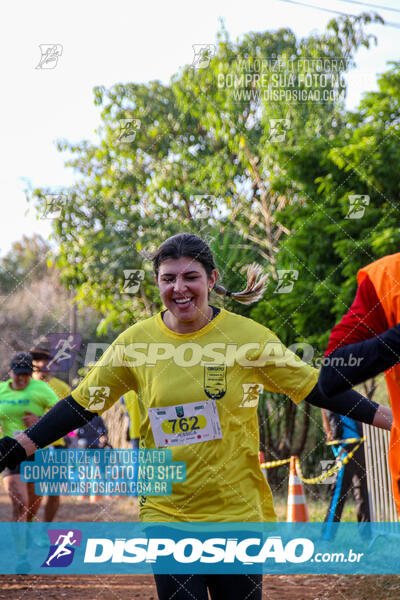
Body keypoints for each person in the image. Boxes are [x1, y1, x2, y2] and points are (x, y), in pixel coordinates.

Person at [0, 234, 393, 600]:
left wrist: (390, 420)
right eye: (168, 279)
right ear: (156, 283)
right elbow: (82, 403)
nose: (179, 288)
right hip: (167, 512)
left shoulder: (248, 338)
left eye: (191, 277)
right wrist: (22, 445)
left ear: (212, 279)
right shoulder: (136, 344)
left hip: (237, 514)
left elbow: (315, 387)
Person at [318, 252, 400, 514]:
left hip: (353, 438)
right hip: (347, 440)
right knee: (350, 486)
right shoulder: (388, 278)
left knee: (354, 487)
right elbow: (331, 376)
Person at [31, 347, 72, 521]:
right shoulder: (25, 386)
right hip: (32, 445)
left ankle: (44, 529)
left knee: (54, 492)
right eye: (37, 365)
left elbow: (72, 417)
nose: (42, 368)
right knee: (33, 492)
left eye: (46, 364)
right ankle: (28, 525)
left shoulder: (62, 388)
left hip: (57, 446)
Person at [321, 410, 370, 539]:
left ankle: (327, 536)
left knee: (338, 493)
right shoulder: (347, 397)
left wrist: (338, 446)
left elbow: (334, 423)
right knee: (362, 492)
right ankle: (366, 535)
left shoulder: (327, 399)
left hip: (347, 448)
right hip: (359, 446)